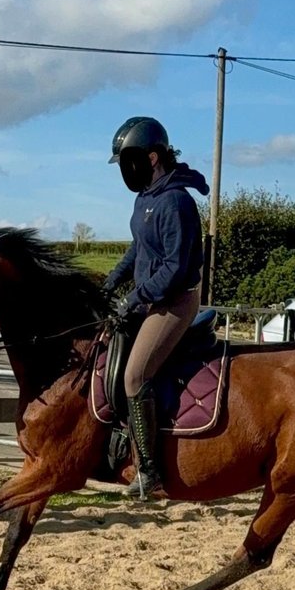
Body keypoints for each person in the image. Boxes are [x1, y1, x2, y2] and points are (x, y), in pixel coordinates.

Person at [101, 116, 210, 500]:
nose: (125, 171)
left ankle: (150, 472)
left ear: (152, 158)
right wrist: (111, 281)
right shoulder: (146, 198)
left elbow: (175, 268)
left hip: (174, 301)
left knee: (135, 375)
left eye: (128, 162)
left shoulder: (176, 201)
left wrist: (134, 298)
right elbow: (139, 248)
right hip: (151, 298)